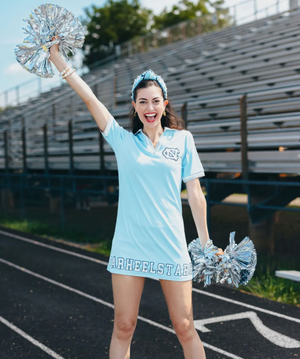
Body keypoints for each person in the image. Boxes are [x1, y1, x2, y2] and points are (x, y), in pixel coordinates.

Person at [49, 38, 224, 359]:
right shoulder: (122, 141)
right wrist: (58, 60)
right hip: (130, 245)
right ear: (134, 105)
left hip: (171, 246)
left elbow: (196, 194)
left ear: (166, 103)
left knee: (185, 326)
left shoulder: (183, 140)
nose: (150, 108)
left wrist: (205, 242)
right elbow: (89, 98)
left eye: (155, 101)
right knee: (124, 326)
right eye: (142, 102)